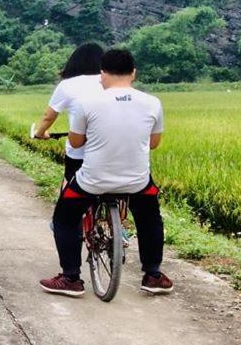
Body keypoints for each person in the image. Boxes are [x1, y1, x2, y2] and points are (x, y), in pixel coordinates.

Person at [40, 49, 174, 297]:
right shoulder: (152, 103)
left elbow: (77, 143)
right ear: (133, 73)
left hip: (92, 181)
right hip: (137, 182)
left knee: (64, 218)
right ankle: (153, 275)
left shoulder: (85, 104)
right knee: (150, 217)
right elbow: (154, 143)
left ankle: (71, 278)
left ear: (102, 74)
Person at [33, 43, 104, 182]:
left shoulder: (68, 84)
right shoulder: (111, 83)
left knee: (70, 191)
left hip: (80, 152)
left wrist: (40, 133)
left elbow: (48, 117)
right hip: (114, 153)